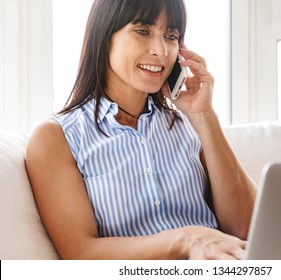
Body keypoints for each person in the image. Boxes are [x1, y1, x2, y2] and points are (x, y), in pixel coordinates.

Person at [25, 0, 256, 260]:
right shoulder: (57, 137)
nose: (161, 51)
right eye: (143, 31)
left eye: (171, 36)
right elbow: (81, 254)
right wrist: (187, 239)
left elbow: (248, 229)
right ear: (104, 37)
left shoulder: (188, 126)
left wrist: (204, 117)